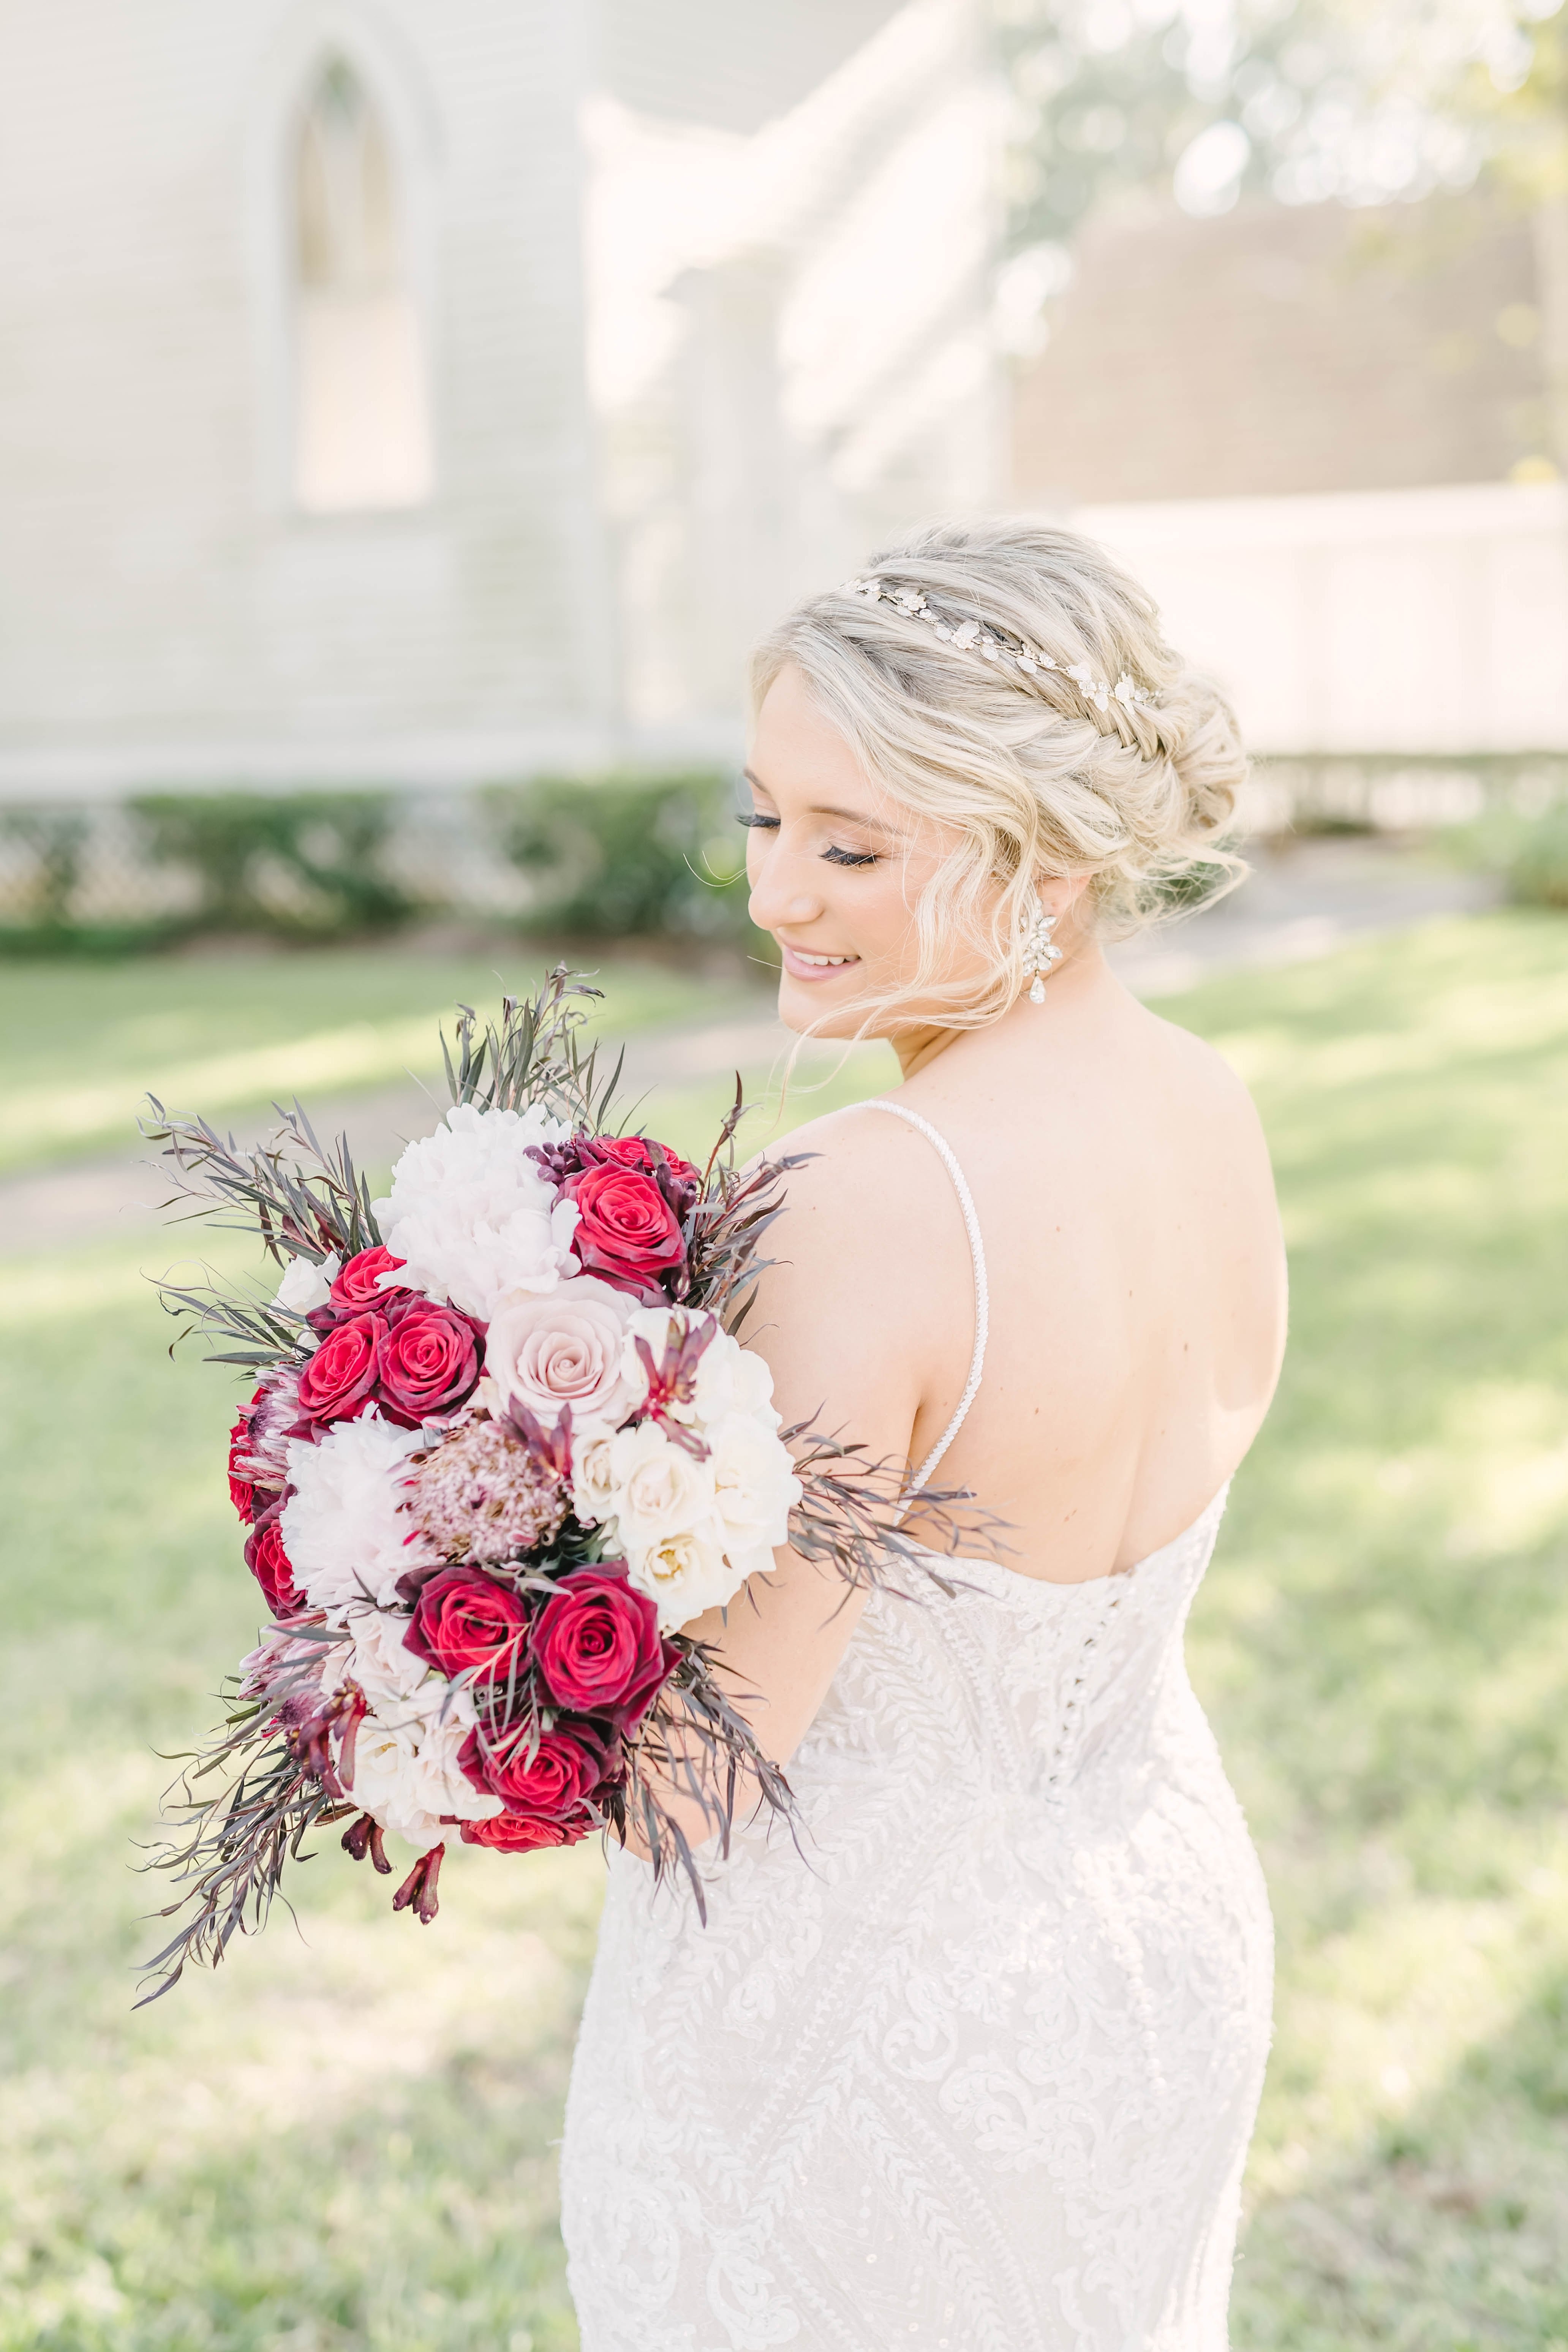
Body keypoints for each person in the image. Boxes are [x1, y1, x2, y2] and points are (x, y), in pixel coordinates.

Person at [560, 520, 1287, 2350]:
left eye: (853, 846)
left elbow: (695, 1787)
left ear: (1044, 857)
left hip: (866, 2026)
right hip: (1159, 1953)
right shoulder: (1212, 1111)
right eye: (765, 821)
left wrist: (481, 1600)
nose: (774, 897)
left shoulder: (862, 1201)